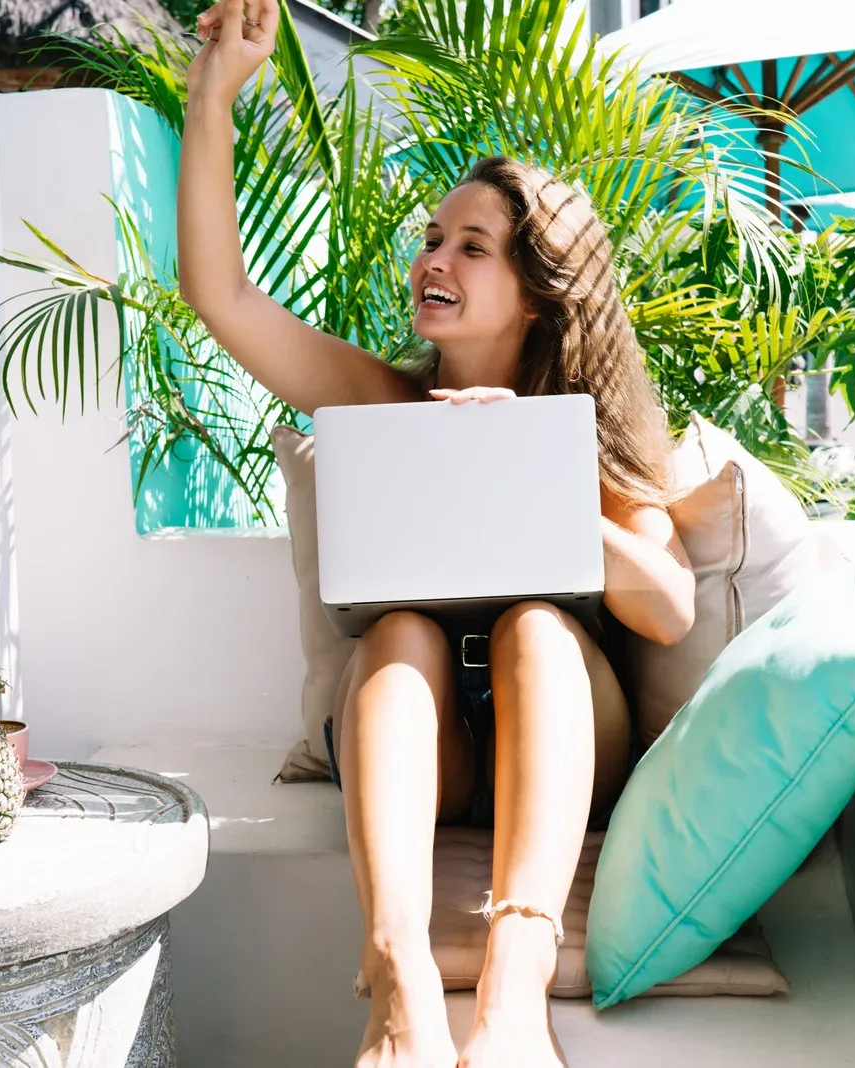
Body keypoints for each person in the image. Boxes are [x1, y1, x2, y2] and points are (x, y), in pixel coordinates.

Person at [180, 1, 696, 1063]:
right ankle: (397, 976)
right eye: (430, 239)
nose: (433, 259)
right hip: (421, 746)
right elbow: (222, 295)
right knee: (401, 630)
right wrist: (211, 98)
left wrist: (534, 478)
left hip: (554, 746)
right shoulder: (383, 400)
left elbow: (669, 603)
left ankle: (513, 1000)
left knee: (539, 630)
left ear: (541, 292)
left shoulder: (595, 435)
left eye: (472, 245)